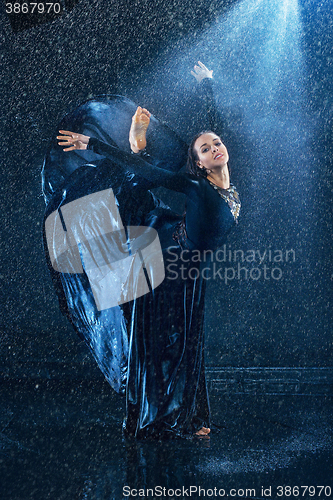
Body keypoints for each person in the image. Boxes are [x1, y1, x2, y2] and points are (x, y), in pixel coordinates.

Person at [55, 62, 241, 438]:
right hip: (168, 264)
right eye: (206, 149)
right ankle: (170, 417)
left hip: (190, 266)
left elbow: (215, 122)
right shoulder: (197, 187)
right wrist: (93, 144)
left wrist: (209, 84)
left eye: (216, 143)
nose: (215, 148)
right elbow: (163, 178)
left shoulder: (222, 179)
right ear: (200, 165)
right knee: (168, 343)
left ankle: (192, 415)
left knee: (189, 341)